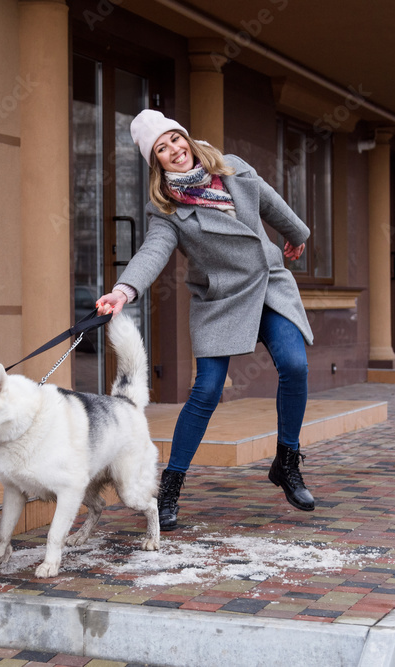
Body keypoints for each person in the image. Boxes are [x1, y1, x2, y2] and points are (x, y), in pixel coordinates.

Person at [95, 109, 315, 530]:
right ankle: (170, 486)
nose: (174, 150)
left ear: (186, 138)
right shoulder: (168, 209)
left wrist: (297, 235)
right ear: (156, 161)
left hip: (269, 284)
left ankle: (286, 462)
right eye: (161, 148)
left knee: (294, 365)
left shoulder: (233, 168)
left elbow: (271, 202)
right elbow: (153, 252)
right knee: (207, 390)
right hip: (221, 299)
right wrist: (124, 290)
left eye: (175, 139)